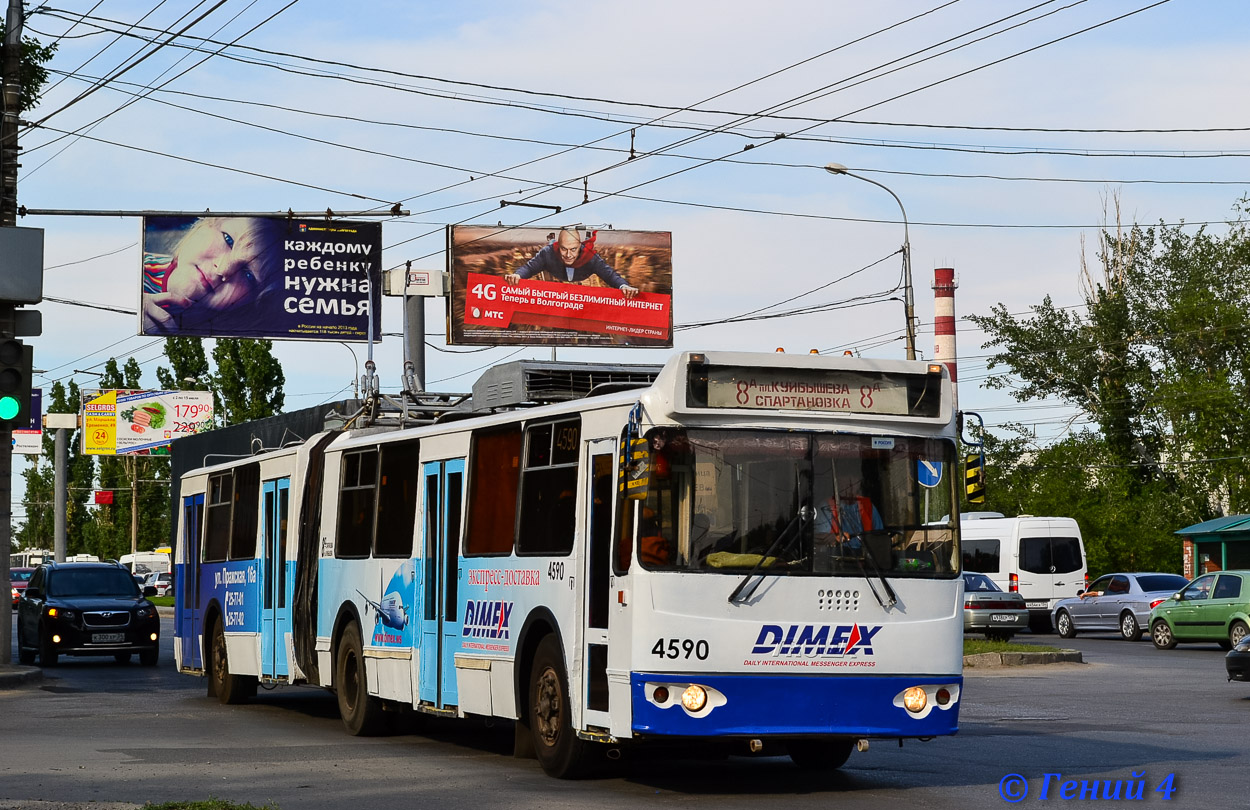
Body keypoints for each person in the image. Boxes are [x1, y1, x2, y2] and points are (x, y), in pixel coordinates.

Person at [141, 216, 285, 334]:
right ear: (206, 224)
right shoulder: (131, 266)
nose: (222, 269)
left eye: (248, 275)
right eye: (228, 240)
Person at [503, 228, 640, 298]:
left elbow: (610, 275)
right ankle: (552, 240)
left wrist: (624, 286)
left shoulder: (590, 257)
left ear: (579, 247)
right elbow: (529, 267)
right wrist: (517, 276)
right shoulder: (548, 253)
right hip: (552, 249)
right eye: (564, 249)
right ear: (559, 247)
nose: (568, 255)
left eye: (573, 249)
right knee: (551, 245)